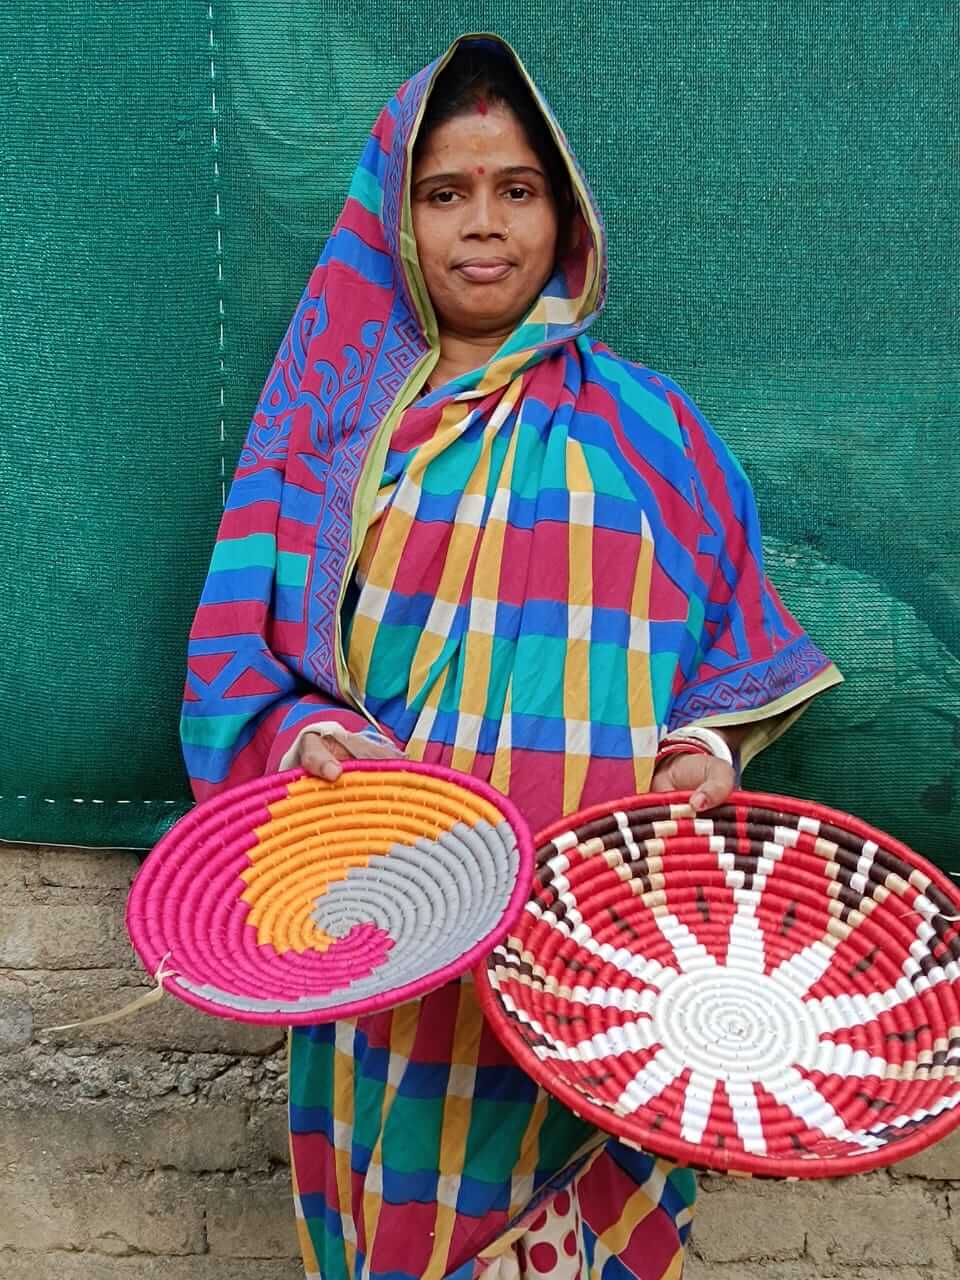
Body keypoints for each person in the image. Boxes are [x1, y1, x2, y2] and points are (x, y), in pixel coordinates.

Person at [181, 33, 841, 1280]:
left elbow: (732, 646)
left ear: (565, 210)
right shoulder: (323, 439)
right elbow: (245, 665)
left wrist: (703, 750)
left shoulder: (656, 428)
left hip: (602, 946)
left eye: (516, 189)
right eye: (445, 192)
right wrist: (308, 740)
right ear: (396, 216)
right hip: (400, 938)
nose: (483, 225)